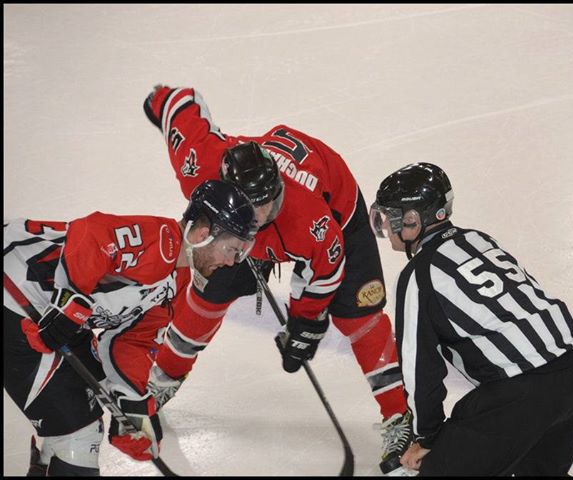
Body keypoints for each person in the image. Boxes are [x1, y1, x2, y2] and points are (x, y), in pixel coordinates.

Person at [142, 85, 412, 474]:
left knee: (360, 314)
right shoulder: (201, 164)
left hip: (338, 211)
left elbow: (327, 271)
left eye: (267, 204)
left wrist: (306, 321)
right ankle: (164, 376)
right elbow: (184, 110)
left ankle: (400, 415)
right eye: (252, 208)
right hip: (234, 220)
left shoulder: (310, 222)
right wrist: (162, 98)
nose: (261, 214)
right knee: (208, 292)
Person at [3, 180, 257, 475]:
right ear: (203, 235)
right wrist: (68, 301)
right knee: (77, 432)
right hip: (15, 289)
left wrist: (137, 407)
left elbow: (132, 341)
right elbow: (93, 235)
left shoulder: (178, 280)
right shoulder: (159, 240)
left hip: (48, 311)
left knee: (84, 410)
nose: (231, 262)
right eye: (231, 250)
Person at [369, 162, 573, 476]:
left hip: (523, 392)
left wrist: (428, 438)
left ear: (412, 220)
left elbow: (420, 369)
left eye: (390, 216)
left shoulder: (418, 276)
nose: (386, 225)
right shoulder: (477, 240)